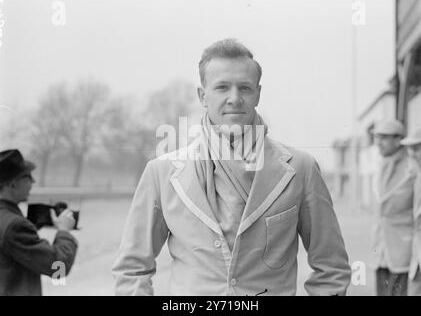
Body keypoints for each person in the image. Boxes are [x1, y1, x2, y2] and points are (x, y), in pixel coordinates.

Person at [112, 38, 351, 296]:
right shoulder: (162, 173)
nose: (234, 99)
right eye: (222, 87)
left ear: (258, 94)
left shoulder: (301, 169)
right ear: (203, 96)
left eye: (245, 88)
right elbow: (132, 268)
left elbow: (331, 269)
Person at [0, 149, 78, 296]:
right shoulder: (15, 226)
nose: (33, 181)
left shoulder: (11, 222)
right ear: (11, 184)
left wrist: (30, 228)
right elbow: (58, 270)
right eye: (27, 176)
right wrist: (64, 232)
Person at [370, 120, 416, 296]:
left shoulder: (413, 169)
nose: (378, 143)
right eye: (376, 138)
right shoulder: (379, 165)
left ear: (399, 140)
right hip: (380, 249)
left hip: (403, 250)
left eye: (384, 138)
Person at [401, 129, 421, 296]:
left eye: (417, 148)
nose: (412, 153)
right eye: (411, 148)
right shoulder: (416, 176)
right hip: (417, 256)